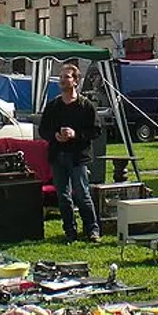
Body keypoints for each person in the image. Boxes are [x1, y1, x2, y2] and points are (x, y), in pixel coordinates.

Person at [39, 63, 101, 243]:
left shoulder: (85, 106)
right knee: (63, 197)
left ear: (76, 81)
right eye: (61, 77)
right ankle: (69, 231)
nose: (62, 80)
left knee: (82, 194)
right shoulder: (53, 106)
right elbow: (43, 130)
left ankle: (92, 230)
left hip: (77, 157)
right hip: (57, 156)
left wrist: (76, 134)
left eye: (66, 77)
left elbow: (95, 130)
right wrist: (55, 136)